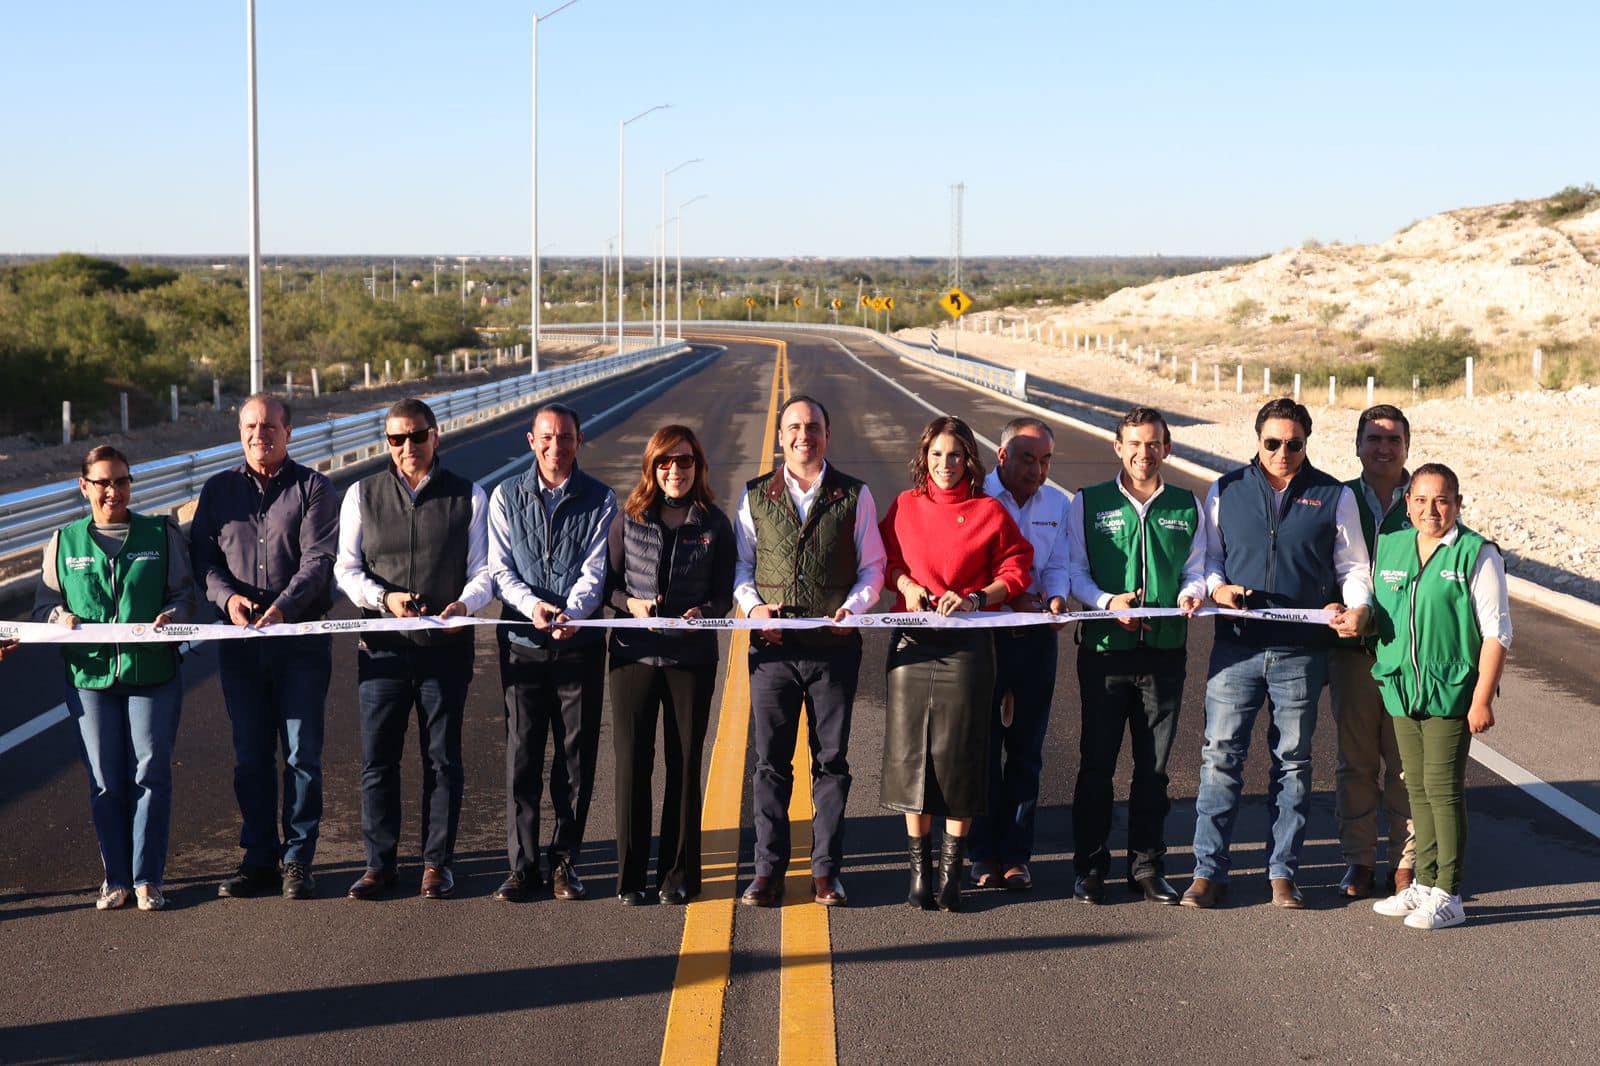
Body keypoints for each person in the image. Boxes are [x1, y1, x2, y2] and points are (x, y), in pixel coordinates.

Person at [1184, 397, 1373, 910]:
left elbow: (1354, 566)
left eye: (1293, 443)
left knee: (1292, 763)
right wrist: (1218, 589)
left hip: (1302, 653)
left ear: (1306, 443)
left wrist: (1356, 607)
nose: (1282, 452)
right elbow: (1208, 561)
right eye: (1272, 443)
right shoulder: (1225, 490)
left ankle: (1282, 873)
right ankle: (1208, 872)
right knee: (1220, 758)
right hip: (1237, 650)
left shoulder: (1333, 495)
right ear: (1257, 440)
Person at [334, 398, 493, 901]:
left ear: (435, 436)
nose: (407, 447)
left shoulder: (470, 495)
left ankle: (436, 863)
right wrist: (384, 599)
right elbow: (346, 568)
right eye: (396, 439)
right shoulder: (361, 494)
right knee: (377, 759)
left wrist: (463, 606)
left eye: (416, 436)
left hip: (444, 647)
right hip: (381, 649)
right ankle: (379, 865)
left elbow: (484, 572)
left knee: (442, 759)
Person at [735, 395, 886, 908]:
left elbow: (873, 567)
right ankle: (767, 872)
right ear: (780, 437)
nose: (805, 435)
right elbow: (741, 566)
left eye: (814, 427)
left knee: (832, 763)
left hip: (833, 650)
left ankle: (826, 872)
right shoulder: (754, 495)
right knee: (771, 765)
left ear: (827, 434)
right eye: (794, 427)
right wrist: (754, 610)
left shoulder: (854, 494)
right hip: (772, 652)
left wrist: (855, 607)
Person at [33, 445, 195, 911]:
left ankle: (148, 878)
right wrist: (58, 616)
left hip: (153, 674)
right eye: (102, 482)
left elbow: (185, 596)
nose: (113, 491)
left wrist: (172, 616)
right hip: (90, 676)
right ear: (84, 487)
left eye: (121, 481)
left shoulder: (160, 533)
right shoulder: (63, 542)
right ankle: (116, 878)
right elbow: (44, 607)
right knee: (105, 779)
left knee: (150, 772)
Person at [881, 416, 1032, 911]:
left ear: (970, 459)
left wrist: (974, 599)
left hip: (967, 648)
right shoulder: (905, 506)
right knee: (912, 754)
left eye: (955, 455)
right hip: (912, 643)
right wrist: (906, 586)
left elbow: (1016, 568)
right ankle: (919, 871)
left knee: (962, 754)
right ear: (924, 457)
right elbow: (883, 559)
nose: (946, 465)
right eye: (937, 455)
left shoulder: (988, 510)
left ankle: (951, 872)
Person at [191, 393, 338, 901]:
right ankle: (258, 859)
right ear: (240, 432)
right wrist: (228, 599)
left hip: (299, 643)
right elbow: (204, 564)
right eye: (251, 426)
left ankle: (298, 859)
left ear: (288, 431)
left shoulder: (314, 488)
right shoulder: (217, 491)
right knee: (250, 756)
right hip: (240, 647)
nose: (260, 435)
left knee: (301, 756)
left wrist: (283, 608)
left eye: (270, 426)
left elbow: (319, 561)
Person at [1066, 407, 1207, 906]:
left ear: (1167, 448)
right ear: (1117, 447)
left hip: (1165, 654)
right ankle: (1089, 866)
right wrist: (1107, 605)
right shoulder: (1087, 503)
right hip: (1105, 653)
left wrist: (1192, 594)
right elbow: (1073, 571)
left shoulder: (1189, 505)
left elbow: (1197, 568)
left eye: (1153, 444)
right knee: (1097, 766)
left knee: (1154, 770)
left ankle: (1146, 866)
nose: (1143, 453)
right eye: (1134, 443)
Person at [1367, 464, 1510, 930]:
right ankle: (1423, 884)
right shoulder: (1390, 546)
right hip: (1403, 688)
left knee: (1444, 791)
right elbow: (1378, 610)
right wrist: (1353, 616)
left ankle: (1450, 893)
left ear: (1458, 503)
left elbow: (1496, 633)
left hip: (1451, 694)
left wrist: (1482, 698)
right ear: (1407, 502)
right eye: (1422, 500)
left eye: (1443, 500)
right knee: (1417, 789)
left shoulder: (1476, 553)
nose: (1432, 510)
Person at [487, 402, 617, 903]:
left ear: (578, 441)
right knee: (522, 757)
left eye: (565, 437)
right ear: (531, 440)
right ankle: (522, 867)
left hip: (578, 645)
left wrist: (574, 612)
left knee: (574, 759)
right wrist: (534, 606)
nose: (555, 446)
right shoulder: (505, 496)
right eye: (546, 437)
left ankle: (565, 862)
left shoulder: (602, 499)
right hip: (522, 644)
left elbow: (596, 568)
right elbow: (500, 570)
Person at [604, 425, 735, 905]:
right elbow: (607, 587)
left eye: (684, 462)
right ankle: (630, 876)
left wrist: (705, 612)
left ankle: (679, 873)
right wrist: (631, 605)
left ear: (698, 467)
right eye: (665, 462)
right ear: (651, 466)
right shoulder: (628, 518)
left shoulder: (714, 523)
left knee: (684, 764)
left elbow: (725, 593)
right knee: (633, 764)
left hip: (690, 658)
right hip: (632, 657)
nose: (675, 471)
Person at [968, 417, 1071, 893]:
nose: (1038, 469)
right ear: (1003, 456)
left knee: (1026, 752)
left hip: (1035, 639)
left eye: (1046, 459)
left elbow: (1059, 565)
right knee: (982, 750)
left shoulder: (1058, 504)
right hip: (984, 637)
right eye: (1028, 458)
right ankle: (980, 852)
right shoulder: (975, 497)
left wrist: (1055, 596)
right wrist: (1008, 598)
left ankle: (1016, 854)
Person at [1330, 405, 1417, 899]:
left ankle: (1404, 864)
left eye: (1393, 439)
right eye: (1374, 438)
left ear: (1407, 444)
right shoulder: (1341, 497)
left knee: (1405, 765)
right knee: (1356, 763)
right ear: (1358, 444)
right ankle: (1358, 862)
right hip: (1353, 653)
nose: (1383, 447)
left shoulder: (1426, 496)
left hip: (1408, 654)